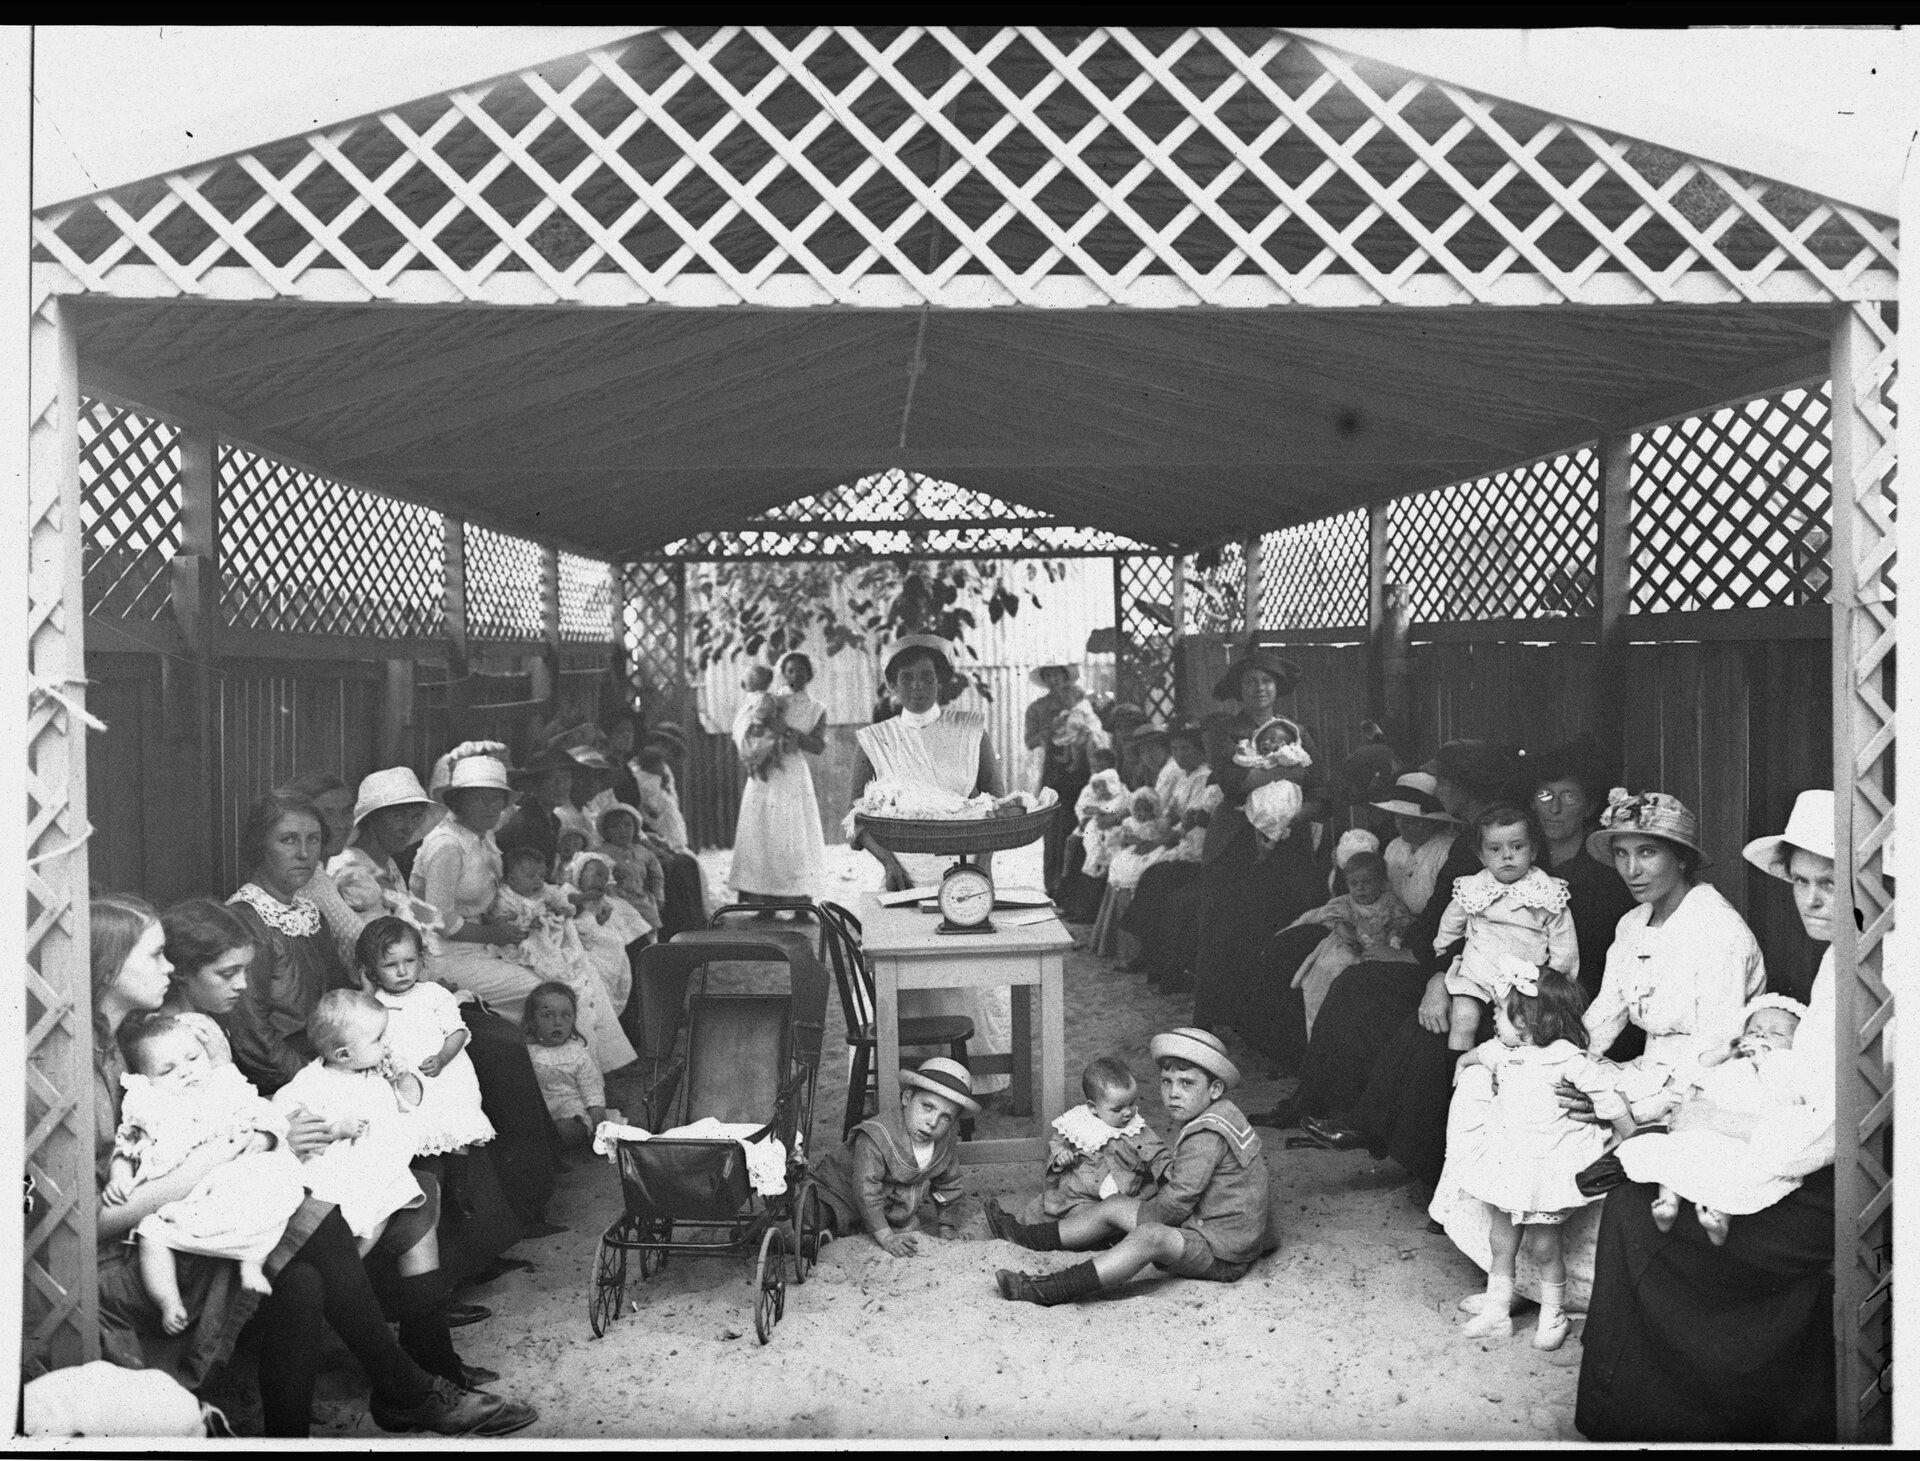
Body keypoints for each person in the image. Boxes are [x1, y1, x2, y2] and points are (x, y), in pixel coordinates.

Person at [91, 896, 533, 1436]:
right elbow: (97, 1214)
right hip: (147, 1247)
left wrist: (255, 1129)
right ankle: (409, 1390)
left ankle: (320, 1424)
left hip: (206, 1212)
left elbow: (226, 1116)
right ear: (110, 967)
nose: (242, 986)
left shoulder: (168, 1035)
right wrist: (241, 1145)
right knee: (324, 1216)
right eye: (156, 957)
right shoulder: (121, 1056)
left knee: (306, 1276)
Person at [1431, 786, 1765, 1318]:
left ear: (1682, 858)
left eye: (1649, 852)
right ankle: (1507, 1274)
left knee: (1569, 1118)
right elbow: (1602, 1016)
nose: (1632, 869)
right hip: (1646, 1066)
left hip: (1700, 1082)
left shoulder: (1717, 931)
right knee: (1510, 1095)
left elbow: (1716, 1051)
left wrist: (1635, 1105)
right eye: (1622, 854)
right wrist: (1544, 1059)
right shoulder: (1633, 925)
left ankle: (1567, 1287)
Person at [1576, 789, 1840, 1443]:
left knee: (1635, 1208)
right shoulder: (1842, 958)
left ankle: (1654, 1408)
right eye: (1802, 882)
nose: (1811, 900)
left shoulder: (1864, 968)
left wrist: (1715, 1122)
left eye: (1829, 883)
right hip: (1787, 1130)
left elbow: (1829, 1123)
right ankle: (1646, 1402)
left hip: (1841, 1188)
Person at [988, 1028, 1276, 1305]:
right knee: (1115, 1205)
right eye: (1167, 1081)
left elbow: (1177, 1201)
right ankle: (1024, 1236)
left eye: (1187, 1083)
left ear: (1214, 1088)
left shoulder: (1206, 1135)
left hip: (1222, 1252)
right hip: (1224, 1231)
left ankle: (1049, 1288)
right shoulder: (1224, 1113)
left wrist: (1140, 1218)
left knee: (1148, 1237)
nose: (1173, 1093)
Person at [849, 634, 1013, 1093]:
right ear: (892, 685)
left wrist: (982, 865)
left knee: (964, 977)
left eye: (927, 677)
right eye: (907, 678)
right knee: (904, 979)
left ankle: (976, 1080)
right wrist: (888, 861)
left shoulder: (970, 730)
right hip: (902, 875)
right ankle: (906, 1079)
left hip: (963, 875)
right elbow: (855, 817)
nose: (918, 686)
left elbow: (995, 806)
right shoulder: (875, 740)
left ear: (942, 681)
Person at [1449, 960, 1617, 1350]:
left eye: (1499, 1011)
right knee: (1500, 1238)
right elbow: (1480, 1054)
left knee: (1545, 1245)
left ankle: (1553, 1312)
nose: (1491, 1015)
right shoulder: (1503, 1052)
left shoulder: (1566, 1058)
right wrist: (1463, 1060)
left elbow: (1607, 1096)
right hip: (1512, 1161)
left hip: (1547, 1164)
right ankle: (1496, 1310)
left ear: (1525, 1021)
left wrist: (1629, 1135)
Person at [107, 1016, 309, 1328]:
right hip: (185, 1198)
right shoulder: (149, 1104)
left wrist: (264, 1136)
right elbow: (128, 1143)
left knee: (277, 1185)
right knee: (151, 1235)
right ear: (146, 1079)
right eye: (167, 1070)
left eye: (192, 1058)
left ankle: (251, 1263)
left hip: (233, 1182)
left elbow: (263, 1113)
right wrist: (120, 1175)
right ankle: (168, 1300)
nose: (186, 1071)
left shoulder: (222, 1087)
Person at [1188, 649, 1330, 1054]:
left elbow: (1321, 790)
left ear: (1277, 687)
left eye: (1266, 680)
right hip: (1236, 841)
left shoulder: (1299, 731)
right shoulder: (1223, 731)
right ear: (1238, 690)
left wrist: (1289, 818)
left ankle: (1269, 1026)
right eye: (1250, 682)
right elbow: (1234, 781)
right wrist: (1289, 771)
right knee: (1226, 930)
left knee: (1279, 926)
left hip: (1289, 841)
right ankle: (1213, 1021)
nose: (1260, 688)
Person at [1614, 993, 1811, 1242]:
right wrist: (1724, 1051)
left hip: (1743, 1137)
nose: (1761, 1036)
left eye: (1776, 1034)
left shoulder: (1788, 1066)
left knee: (1734, 1171)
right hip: (1704, 1130)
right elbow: (1696, 1072)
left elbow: (1788, 1101)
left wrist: (1765, 1063)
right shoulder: (1734, 1061)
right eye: (1754, 1030)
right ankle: (1668, 1201)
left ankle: (1718, 1219)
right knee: (1676, 1150)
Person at [353, 918, 495, 1215]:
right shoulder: (373, 1002)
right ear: (371, 970)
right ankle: (419, 1190)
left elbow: (457, 1032)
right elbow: (359, 1029)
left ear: (422, 959)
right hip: (405, 1084)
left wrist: (443, 1057)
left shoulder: (433, 994)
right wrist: (367, 991)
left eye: (410, 960)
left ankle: (458, 1192)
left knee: (457, 1131)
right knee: (412, 1134)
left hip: (443, 1076)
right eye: (390, 965)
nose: (403, 971)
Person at [272, 989, 432, 1251]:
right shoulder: (310, 1083)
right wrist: (335, 1129)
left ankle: (356, 1260)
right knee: (366, 1204)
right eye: (378, 1039)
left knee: (388, 1197)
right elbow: (288, 1121)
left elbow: (409, 1104)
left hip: (377, 1162)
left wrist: (401, 1078)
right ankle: (350, 1262)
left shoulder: (374, 1071)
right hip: (338, 1168)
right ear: (344, 1055)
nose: (386, 1044)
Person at [224, 791, 356, 1096]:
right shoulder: (243, 921)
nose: (304, 854)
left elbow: (340, 995)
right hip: (278, 1082)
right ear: (259, 847)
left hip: (326, 1063)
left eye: (313, 840)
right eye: (288, 840)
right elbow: (253, 1039)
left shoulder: (310, 914)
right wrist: (322, 1082)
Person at [410, 750, 544, 1024]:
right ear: (458, 802)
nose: (490, 807)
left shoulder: (483, 836)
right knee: (540, 991)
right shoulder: (447, 845)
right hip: (442, 954)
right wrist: (493, 933)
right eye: (478, 799)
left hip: (480, 943)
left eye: (496, 798)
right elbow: (439, 921)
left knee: (559, 966)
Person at [1432, 805, 1578, 1052]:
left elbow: (1564, 941)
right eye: (1495, 849)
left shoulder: (1546, 892)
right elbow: (1450, 924)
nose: (1507, 856)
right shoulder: (1474, 888)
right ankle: (1458, 1073)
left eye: (1517, 846)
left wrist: (1556, 980)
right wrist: (1442, 950)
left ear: (1533, 851)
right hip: (1477, 972)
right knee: (1463, 1019)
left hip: (1524, 979)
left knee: (1522, 1030)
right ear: (1481, 856)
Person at [491, 846, 636, 1075]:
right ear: (511, 878)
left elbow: (565, 904)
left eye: (541, 875)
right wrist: (526, 922)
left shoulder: (545, 891)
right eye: (530, 876)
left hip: (552, 940)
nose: (538, 881)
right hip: (524, 944)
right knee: (568, 980)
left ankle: (597, 1059)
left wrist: (561, 911)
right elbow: (501, 921)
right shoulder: (506, 897)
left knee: (586, 976)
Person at [813, 1056, 975, 1255]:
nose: (932, 1122)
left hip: (889, 1206)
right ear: (907, 1098)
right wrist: (886, 1238)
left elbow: (949, 1184)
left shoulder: (943, 1142)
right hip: (839, 1191)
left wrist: (947, 1227)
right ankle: (817, 1237)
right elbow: (866, 1190)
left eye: (946, 1117)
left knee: (901, 1225)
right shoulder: (876, 1137)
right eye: (927, 1107)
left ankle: (850, 1230)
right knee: (814, 1216)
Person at [729, 650, 829, 905]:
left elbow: (818, 745)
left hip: (792, 772)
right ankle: (764, 900)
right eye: (791, 670)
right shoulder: (769, 700)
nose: (796, 675)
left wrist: (790, 732)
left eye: (802, 670)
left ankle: (800, 899)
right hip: (767, 771)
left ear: (810, 674)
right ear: (782, 673)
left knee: (793, 834)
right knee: (762, 832)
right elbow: (749, 724)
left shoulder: (816, 708)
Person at [1283, 848, 1416, 1037]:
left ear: (1382, 883)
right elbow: (1317, 916)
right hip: (1345, 945)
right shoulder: (1345, 903)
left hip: (1378, 950)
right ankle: (1320, 1030)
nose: (1360, 888)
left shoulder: (1390, 902)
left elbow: (1400, 923)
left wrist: (1394, 937)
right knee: (1332, 968)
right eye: (1354, 883)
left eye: (1367, 882)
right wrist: (1340, 926)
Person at [1041, 1056, 1170, 1219]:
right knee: (1074, 1216)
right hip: (1080, 1196)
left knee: (1145, 1204)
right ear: (1093, 1108)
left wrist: (1167, 1169)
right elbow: (1058, 1142)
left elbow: (1156, 1151)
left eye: (1132, 1103)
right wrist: (1061, 1155)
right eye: (1118, 1109)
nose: (1128, 1112)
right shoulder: (1078, 1122)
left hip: (1123, 1193)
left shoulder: (1133, 1127)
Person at [1026, 664, 1101, 897]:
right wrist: (1050, 729)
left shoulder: (1082, 702)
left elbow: (1094, 729)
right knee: (1053, 828)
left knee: (1078, 825)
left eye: (1057, 674)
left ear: (1065, 676)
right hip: (1054, 772)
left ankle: (1076, 888)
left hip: (1080, 773)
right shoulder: (1037, 708)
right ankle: (1053, 886)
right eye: (1048, 675)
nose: (1053, 679)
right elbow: (1030, 742)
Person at [283, 771, 368, 966]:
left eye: (347, 812)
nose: (341, 824)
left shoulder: (321, 875)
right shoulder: (309, 881)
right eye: (328, 814)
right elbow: (360, 947)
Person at [523, 981, 607, 1149]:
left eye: (565, 1015)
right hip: (540, 1112)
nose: (557, 1022)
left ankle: (555, 1145)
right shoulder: (527, 1052)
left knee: (566, 1130)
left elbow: (593, 1095)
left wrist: (599, 1127)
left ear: (573, 1020)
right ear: (532, 1021)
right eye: (547, 1015)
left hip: (571, 1112)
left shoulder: (578, 1055)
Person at [1372, 772, 1458, 917]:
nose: (1401, 824)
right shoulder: (1394, 846)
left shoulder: (1447, 850)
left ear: (1432, 821)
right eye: (1398, 817)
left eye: (1411, 820)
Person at [1233, 715, 1313, 846]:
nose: (1266, 742)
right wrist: (1241, 753)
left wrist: (1279, 755)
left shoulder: (1288, 753)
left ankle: (1272, 841)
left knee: (1279, 814)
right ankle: (1260, 841)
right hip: (1265, 790)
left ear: (1283, 744)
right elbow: (1245, 762)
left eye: (1272, 740)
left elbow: (1294, 760)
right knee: (1258, 811)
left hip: (1283, 790)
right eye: (1264, 739)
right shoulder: (1259, 757)